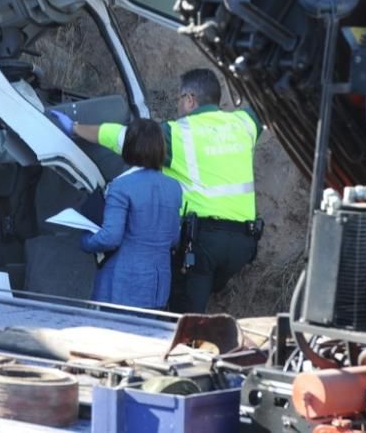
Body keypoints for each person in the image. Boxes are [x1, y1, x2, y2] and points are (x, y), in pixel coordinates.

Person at [51, 68, 261, 312]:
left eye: (179, 99)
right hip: (244, 244)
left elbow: (121, 135)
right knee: (202, 294)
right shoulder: (244, 123)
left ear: (190, 99)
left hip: (202, 242)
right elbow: (273, 106)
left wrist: (75, 128)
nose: (178, 106)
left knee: (185, 316)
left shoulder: (176, 133)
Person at [78, 119, 182, 309]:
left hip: (122, 282)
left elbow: (110, 237)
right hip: (158, 284)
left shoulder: (121, 186)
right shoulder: (174, 187)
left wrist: (86, 240)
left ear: (129, 147)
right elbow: (174, 238)